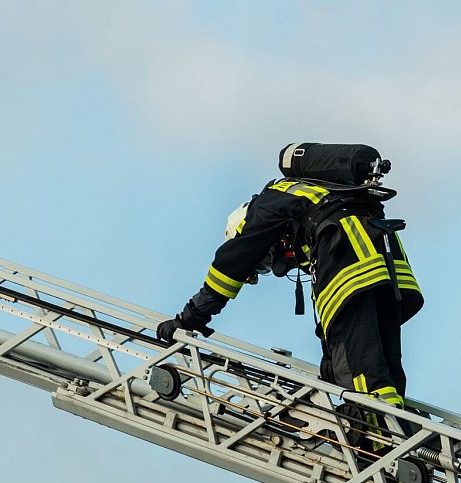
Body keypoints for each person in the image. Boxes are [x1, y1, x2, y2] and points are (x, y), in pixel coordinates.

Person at [156, 143, 423, 449]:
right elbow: (338, 336)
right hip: (390, 268)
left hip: (350, 265)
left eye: (264, 262)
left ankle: (377, 446)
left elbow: (230, 265)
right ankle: (398, 435)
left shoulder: (266, 207)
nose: (273, 264)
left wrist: (189, 319)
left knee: (360, 367)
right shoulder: (318, 196)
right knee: (383, 364)